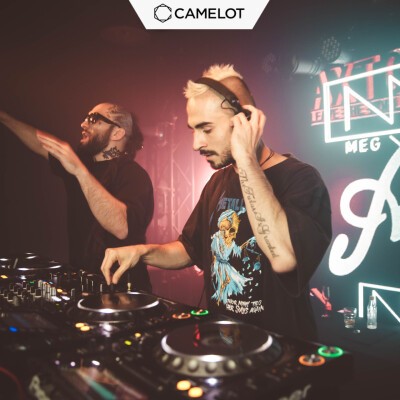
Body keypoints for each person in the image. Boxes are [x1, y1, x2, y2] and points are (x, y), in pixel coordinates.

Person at [100, 65, 332, 339]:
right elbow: (189, 249)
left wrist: (246, 159)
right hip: (221, 344)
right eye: (193, 130)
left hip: (280, 352)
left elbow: (283, 258)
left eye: (206, 129)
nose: (196, 143)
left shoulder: (302, 179)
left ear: (245, 119)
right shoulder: (217, 183)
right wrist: (141, 252)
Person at [0, 103, 153, 291]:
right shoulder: (82, 165)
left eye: (94, 119)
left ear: (117, 133)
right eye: (86, 118)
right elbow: (41, 142)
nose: (83, 124)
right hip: (82, 285)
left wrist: (79, 171)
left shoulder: (133, 175)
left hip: (124, 291)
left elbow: (121, 228)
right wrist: (3, 117)